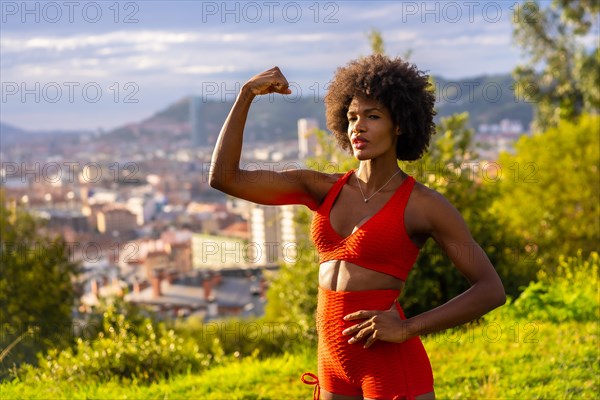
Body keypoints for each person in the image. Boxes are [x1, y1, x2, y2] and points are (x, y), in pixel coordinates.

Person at [209, 54, 506, 400]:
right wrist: (246, 94)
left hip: (389, 367)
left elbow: (490, 289)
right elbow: (225, 178)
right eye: (351, 117)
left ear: (399, 125)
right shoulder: (321, 188)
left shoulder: (424, 205)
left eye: (372, 116)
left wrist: (408, 327)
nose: (358, 127)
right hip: (331, 363)